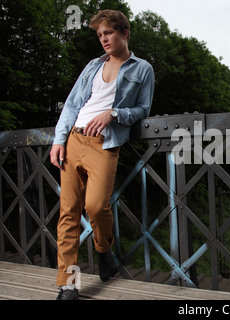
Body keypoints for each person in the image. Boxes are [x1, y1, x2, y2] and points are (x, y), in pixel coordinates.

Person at [50, 9, 155, 300]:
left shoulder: (142, 69)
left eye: (108, 33)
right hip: (74, 140)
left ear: (124, 33)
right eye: (100, 35)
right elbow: (72, 105)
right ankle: (68, 285)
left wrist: (114, 114)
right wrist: (59, 140)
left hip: (104, 144)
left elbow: (143, 110)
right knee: (68, 213)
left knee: (96, 206)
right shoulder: (93, 66)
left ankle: (104, 250)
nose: (104, 39)